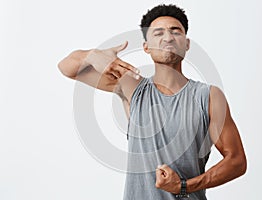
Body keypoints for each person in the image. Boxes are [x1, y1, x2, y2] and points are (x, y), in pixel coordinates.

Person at [58, 4, 247, 200]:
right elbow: (66, 67)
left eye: (176, 31)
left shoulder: (208, 96)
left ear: (187, 43)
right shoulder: (131, 86)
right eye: (158, 33)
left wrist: (183, 186)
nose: (168, 38)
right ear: (146, 47)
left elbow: (237, 161)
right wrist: (93, 55)